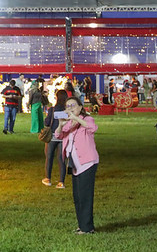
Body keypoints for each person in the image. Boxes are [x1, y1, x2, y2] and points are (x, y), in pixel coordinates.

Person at [55, 96, 99, 235]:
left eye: (73, 105)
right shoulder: (70, 123)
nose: (70, 108)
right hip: (75, 165)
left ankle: (87, 228)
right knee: (78, 197)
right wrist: (61, 124)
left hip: (87, 163)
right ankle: (82, 225)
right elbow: (58, 135)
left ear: (80, 107)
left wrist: (76, 117)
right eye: (67, 106)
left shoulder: (86, 119)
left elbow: (93, 128)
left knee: (85, 196)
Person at [42, 89, 68, 189]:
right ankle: (61, 182)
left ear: (56, 97)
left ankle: (48, 179)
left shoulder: (52, 110)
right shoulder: (67, 111)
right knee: (61, 160)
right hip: (63, 137)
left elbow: (47, 122)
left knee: (49, 158)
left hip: (52, 136)